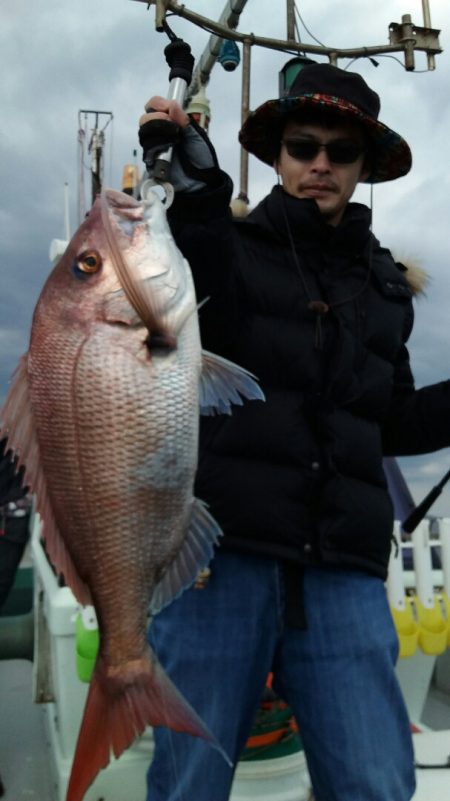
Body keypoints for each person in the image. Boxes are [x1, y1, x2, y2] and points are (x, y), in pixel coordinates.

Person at [138, 63, 450, 801]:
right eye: (302, 145)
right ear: (276, 155)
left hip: (342, 568)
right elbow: (196, 241)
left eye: (341, 152)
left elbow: (392, 420)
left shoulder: (384, 288)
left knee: (375, 783)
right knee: (189, 786)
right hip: (219, 559)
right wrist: (192, 176)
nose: (320, 164)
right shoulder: (229, 254)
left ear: (364, 168)